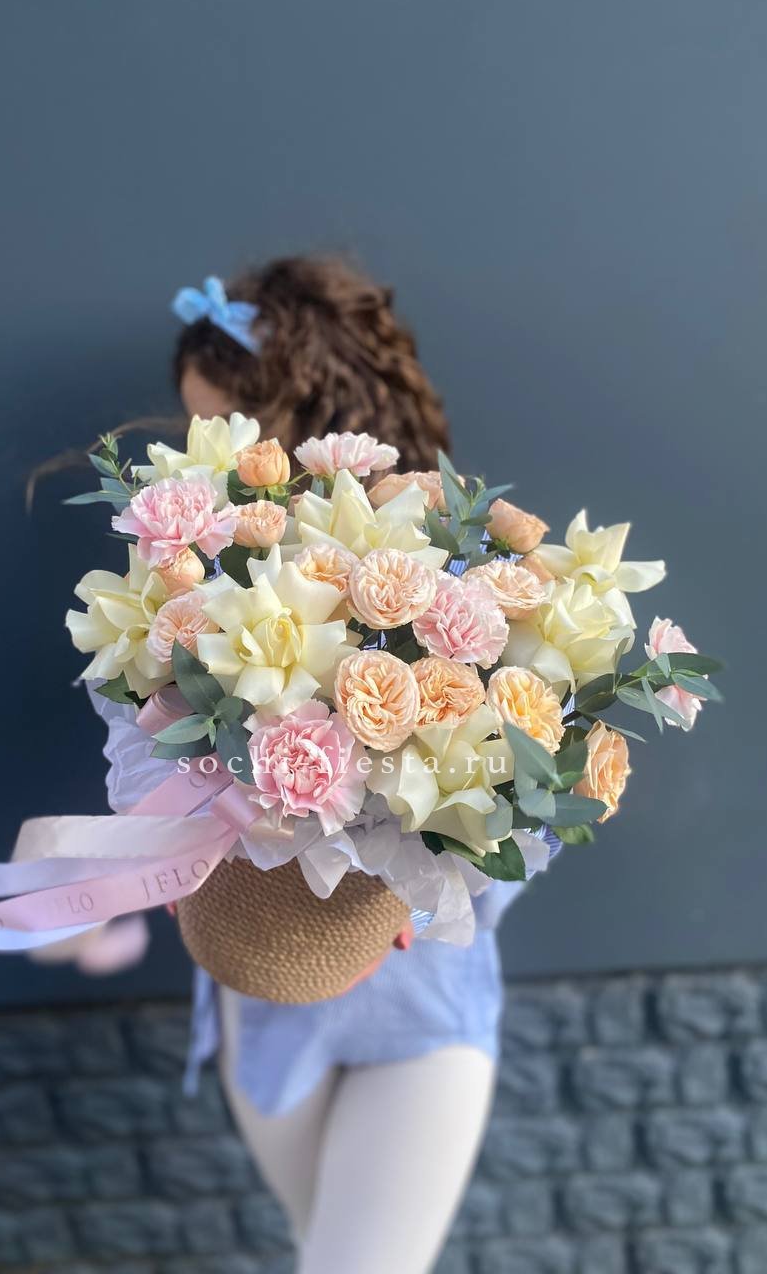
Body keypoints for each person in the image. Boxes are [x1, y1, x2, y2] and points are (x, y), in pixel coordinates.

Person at [88, 256, 556, 1274]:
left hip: (419, 1012)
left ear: (305, 411)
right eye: (193, 426)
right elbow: (146, 764)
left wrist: (421, 876)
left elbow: (531, 802)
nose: (202, 451)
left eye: (222, 422)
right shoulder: (186, 590)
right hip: (266, 1011)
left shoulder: (458, 570)